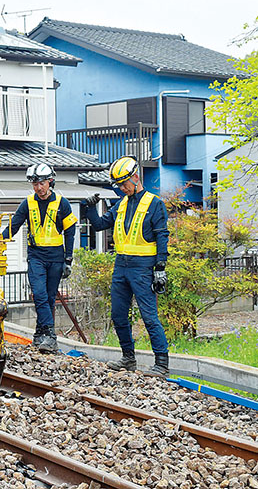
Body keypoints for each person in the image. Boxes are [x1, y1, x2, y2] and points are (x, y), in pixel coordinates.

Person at [82, 155, 170, 377]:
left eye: (124, 184)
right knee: (118, 315)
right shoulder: (120, 205)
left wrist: (160, 268)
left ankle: (161, 364)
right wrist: (89, 208)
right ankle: (128, 358)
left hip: (143, 267)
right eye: (119, 185)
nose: (122, 188)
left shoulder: (155, 204)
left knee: (149, 316)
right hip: (121, 266)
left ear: (136, 178)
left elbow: (162, 236)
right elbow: (100, 225)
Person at [2, 163, 77, 353]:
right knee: (40, 294)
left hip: (56, 257)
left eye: (41, 183)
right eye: (35, 184)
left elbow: (70, 232)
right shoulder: (27, 203)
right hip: (36, 256)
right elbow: (13, 226)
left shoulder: (62, 203)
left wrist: (68, 259)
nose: (38, 188)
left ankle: (39, 335)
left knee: (49, 298)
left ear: (50, 182)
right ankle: (51, 337)